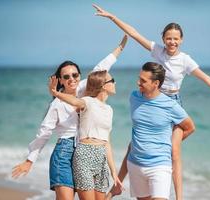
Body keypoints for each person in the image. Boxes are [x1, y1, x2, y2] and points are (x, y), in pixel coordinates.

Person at [93, 4, 210, 200]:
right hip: (152, 99)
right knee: (133, 145)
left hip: (172, 104)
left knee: (174, 152)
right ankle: (116, 187)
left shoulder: (185, 60)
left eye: (176, 38)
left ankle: (179, 197)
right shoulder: (158, 51)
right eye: (168, 38)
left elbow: (207, 79)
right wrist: (112, 17)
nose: (172, 42)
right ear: (163, 38)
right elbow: (134, 33)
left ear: (181, 40)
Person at [12, 35, 127, 200]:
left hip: (84, 152)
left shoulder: (83, 89)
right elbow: (44, 132)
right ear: (60, 80)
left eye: (75, 75)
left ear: (80, 76)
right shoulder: (56, 104)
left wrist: (120, 48)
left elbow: (102, 69)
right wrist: (30, 160)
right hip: (64, 155)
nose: (72, 79)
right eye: (66, 77)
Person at [121, 62, 195, 200]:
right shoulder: (134, 97)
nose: (138, 82)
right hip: (135, 164)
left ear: (156, 83)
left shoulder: (170, 105)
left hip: (160, 166)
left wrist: (168, 144)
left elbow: (190, 127)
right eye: (139, 78)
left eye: (143, 80)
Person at [49, 70, 123, 200]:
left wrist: (114, 172)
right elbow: (73, 101)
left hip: (102, 158)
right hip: (84, 156)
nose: (114, 83)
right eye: (112, 81)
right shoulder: (87, 101)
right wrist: (56, 93)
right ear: (104, 85)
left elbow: (107, 142)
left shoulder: (109, 110)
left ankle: (111, 192)